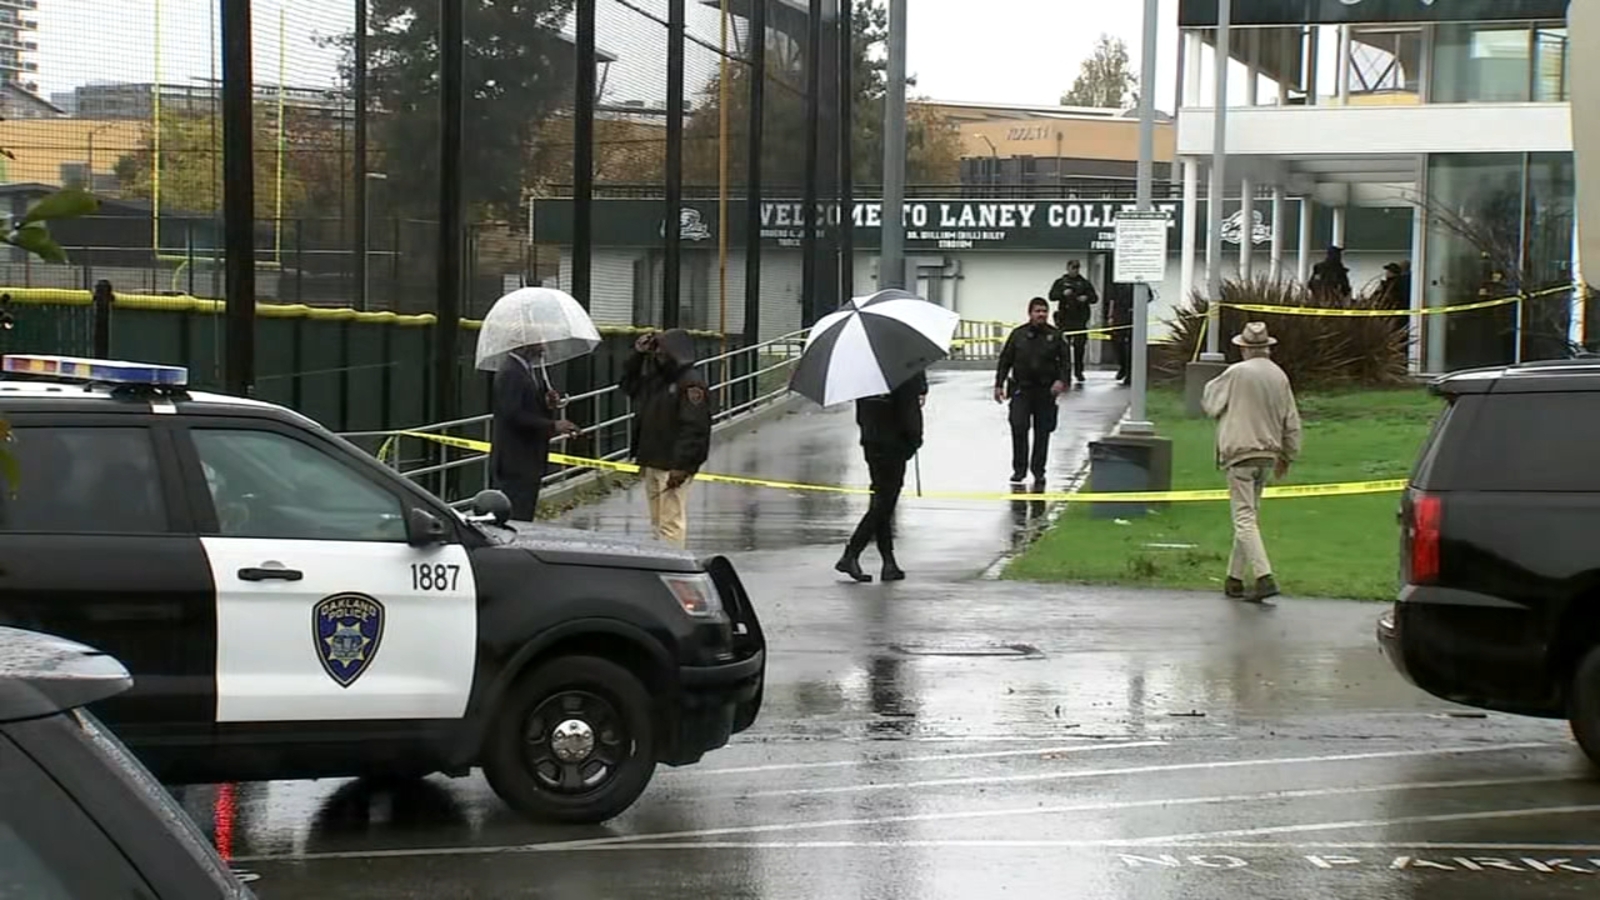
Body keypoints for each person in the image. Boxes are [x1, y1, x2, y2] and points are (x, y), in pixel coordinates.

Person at [1201, 322, 1302, 604]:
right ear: (1267, 348)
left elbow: (1210, 403)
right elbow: (1291, 421)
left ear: (1244, 348)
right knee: (1249, 517)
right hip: (1268, 453)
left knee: (1244, 518)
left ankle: (1263, 575)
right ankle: (1234, 578)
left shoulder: (1236, 373)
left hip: (1240, 452)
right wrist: (1288, 455)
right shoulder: (1279, 376)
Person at [619, 328, 713, 547]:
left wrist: (682, 466)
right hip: (653, 458)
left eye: (661, 351)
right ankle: (661, 557)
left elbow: (695, 427)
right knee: (658, 521)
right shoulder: (657, 380)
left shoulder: (690, 383)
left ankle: (672, 563)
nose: (658, 356)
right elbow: (628, 385)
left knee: (670, 522)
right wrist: (638, 355)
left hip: (672, 463)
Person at [836, 369, 927, 583]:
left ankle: (889, 562)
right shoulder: (904, 372)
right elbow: (910, 416)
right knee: (884, 504)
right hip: (894, 445)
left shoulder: (865, 376)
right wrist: (914, 442)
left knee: (881, 500)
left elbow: (861, 415)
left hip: (871, 442)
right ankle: (851, 554)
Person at [490, 345, 580, 522]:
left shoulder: (527, 370)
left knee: (526, 511)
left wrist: (547, 403)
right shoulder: (511, 373)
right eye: (538, 343)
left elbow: (528, 407)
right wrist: (553, 425)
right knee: (517, 516)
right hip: (516, 459)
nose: (543, 348)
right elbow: (513, 414)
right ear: (524, 344)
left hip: (528, 458)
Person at [993, 297, 1068, 485]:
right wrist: (999, 384)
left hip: (1045, 391)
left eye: (1044, 311)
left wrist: (1062, 381)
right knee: (1019, 427)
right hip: (1021, 389)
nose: (1041, 314)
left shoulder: (1055, 335)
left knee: (1043, 432)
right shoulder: (1018, 335)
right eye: (1037, 311)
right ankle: (1019, 470)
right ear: (1030, 313)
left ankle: (1038, 470)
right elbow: (1005, 360)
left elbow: (1066, 363)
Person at [1048, 259, 1098, 384]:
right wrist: (1062, 294)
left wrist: (1086, 298)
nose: (1075, 270)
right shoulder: (1061, 282)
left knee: (1079, 347)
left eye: (1077, 268)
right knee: (1063, 349)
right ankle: (1065, 372)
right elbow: (1052, 296)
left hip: (1080, 320)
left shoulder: (1084, 283)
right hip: (1064, 320)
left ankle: (1079, 371)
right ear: (1068, 268)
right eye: (1073, 268)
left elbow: (1094, 298)